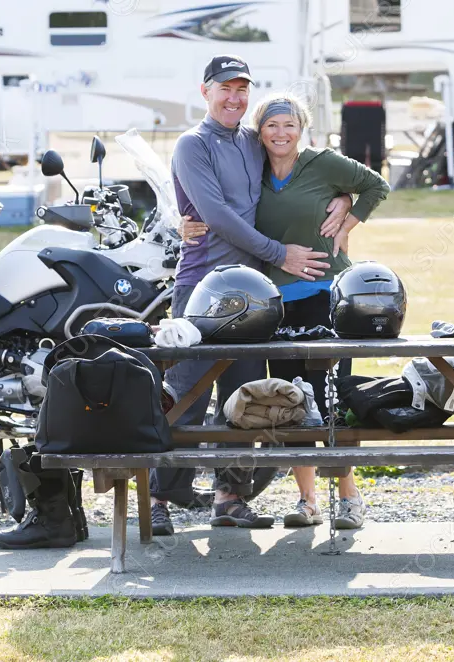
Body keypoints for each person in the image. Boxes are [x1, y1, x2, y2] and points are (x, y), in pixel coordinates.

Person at [150, 56, 353, 536]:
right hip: (202, 292)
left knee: (243, 400)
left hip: (255, 297)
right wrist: (279, 253)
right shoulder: (192, 145)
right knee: (185, 397)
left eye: (242, 90)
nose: (234, 98)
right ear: (205, 92)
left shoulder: (252, 140)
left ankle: (230, 496)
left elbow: (298, 162)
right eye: (225, 89)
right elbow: (216, 214)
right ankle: (157, 497)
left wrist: (344, 196)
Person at [181, 92, 391, 529]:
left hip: (326, 299)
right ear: (260, 131)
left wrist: (348, 213)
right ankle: (308, 501)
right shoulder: (252, 167)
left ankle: (348, 499)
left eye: (289, 125)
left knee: (330, 398)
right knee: (291, 403)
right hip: (274, 306)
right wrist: (181, 222)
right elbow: (217, 205)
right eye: (272, 125)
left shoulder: (321, 162)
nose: (281, 133)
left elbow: (376, 184)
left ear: (302, 129)